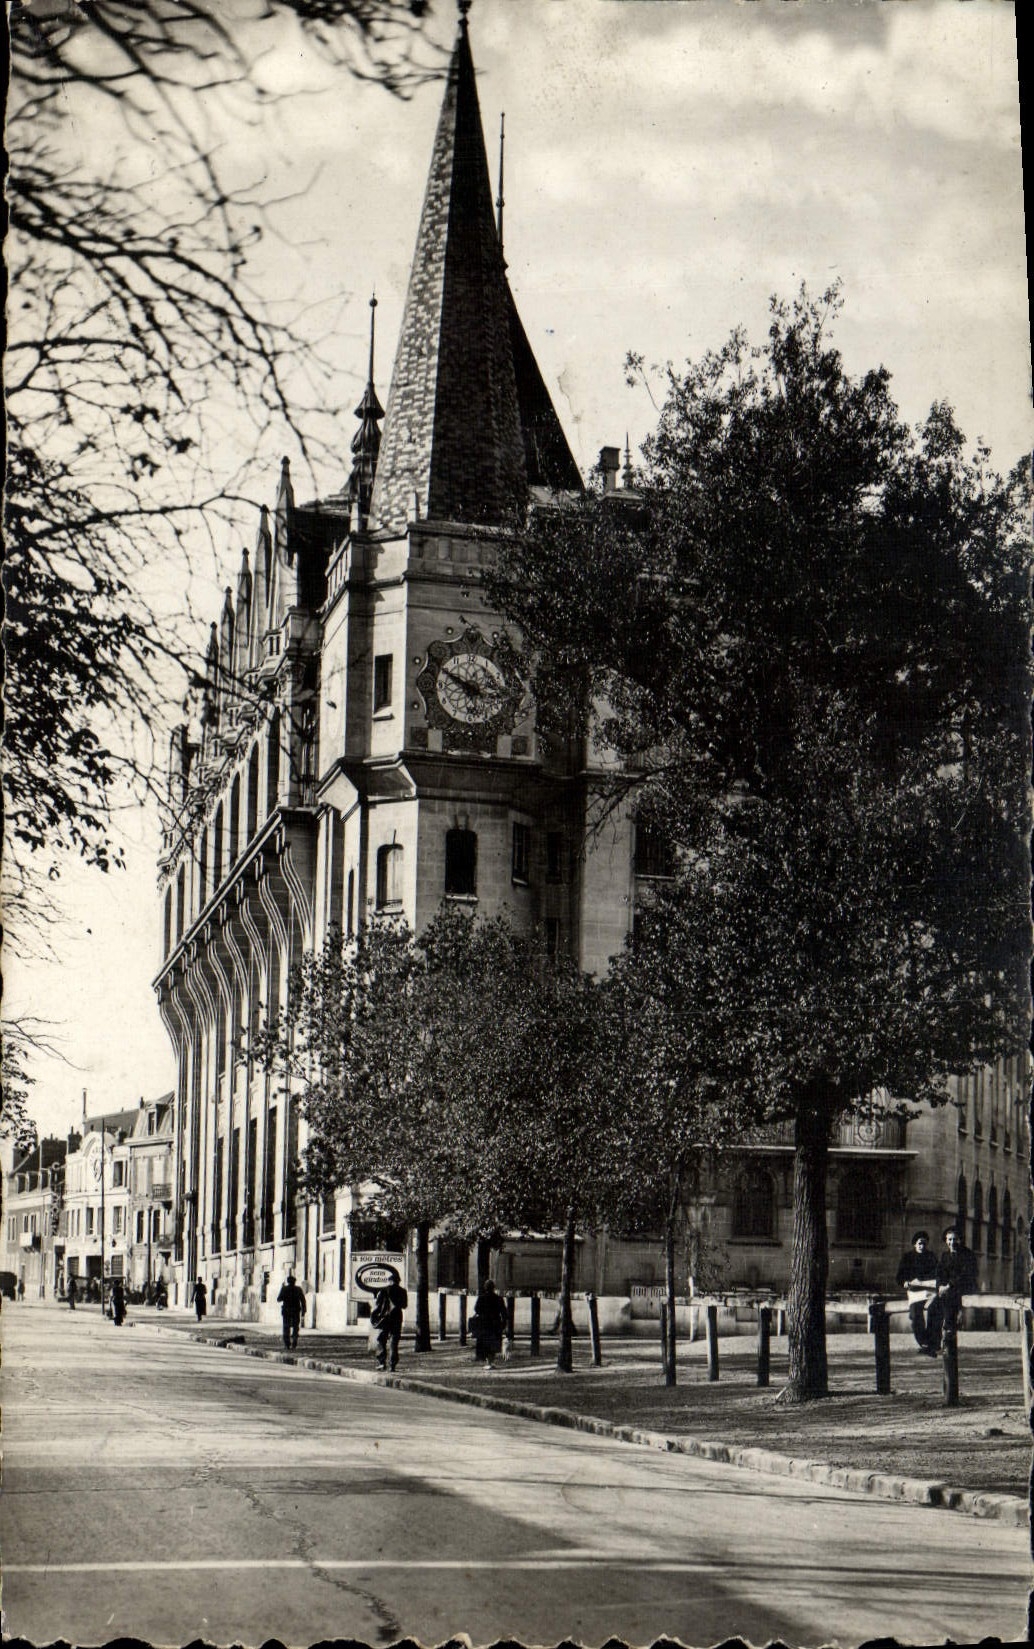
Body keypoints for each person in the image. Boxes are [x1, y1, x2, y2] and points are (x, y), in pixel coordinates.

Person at [925, 1226, 978, 1354]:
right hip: (947, 1290)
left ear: (960, 1240)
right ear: (946, 1240)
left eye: (954, 1239)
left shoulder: (968, 1255)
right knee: (932, 1309)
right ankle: (933, 1344)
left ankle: (948, 1339)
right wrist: (940, 1287)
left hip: (964, 1287)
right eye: (949, 1239)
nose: (952, 1242)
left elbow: (966, 1275)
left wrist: (948, 1286)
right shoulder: (945, 1256)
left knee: (949, 1310)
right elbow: (939, 1274)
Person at [895, 1230, 938, 1351]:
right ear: (915, 1244)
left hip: (929, 1291)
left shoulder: (931, 1256)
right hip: (915, 1292)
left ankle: (932, 1340)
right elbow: (899, 1277)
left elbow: (938, 1273)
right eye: (919, 1243)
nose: (922, 1246)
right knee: (915, 1315)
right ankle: (923, 1341)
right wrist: (905, 1282)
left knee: (933, 1310)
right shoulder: (907, 1257)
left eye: (924, 1243)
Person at [370, 1275, 408, 1372]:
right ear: (398, 1281)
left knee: (381, 1339)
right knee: (394, 1342)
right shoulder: (403, 1291)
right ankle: (392, 1365)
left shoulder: (384, 1290)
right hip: (397, 1318)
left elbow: (378, 1305)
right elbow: (404, 1305)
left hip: (385, 1318)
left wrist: (374, 1317)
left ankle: (382, 1362)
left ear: (390, 1281)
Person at [471, 1278, 509, 1370]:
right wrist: (503, 1323)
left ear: (485, 1288)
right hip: (495, 1323)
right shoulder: (499, 1299)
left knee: (485, 1343)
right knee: (493, 1343)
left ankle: (488, 1362)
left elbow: (476, 1309)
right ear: (493, 1288)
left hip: (484, 1323)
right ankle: (491, 1362)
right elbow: (504, 1312)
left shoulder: (482, 1297)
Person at [277, 1271, 306, 1350]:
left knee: (286, 1327)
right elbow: (303, 1300)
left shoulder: (284, 1289)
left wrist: (282, 1289)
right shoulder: (298, 1289)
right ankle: (294, 1342)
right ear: (294, 1282)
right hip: (296, 1310)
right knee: (295, 1327)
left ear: (288, 1282)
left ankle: (287, 1344)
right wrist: (304, 1310)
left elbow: (279, 1299)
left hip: (286, 1311)